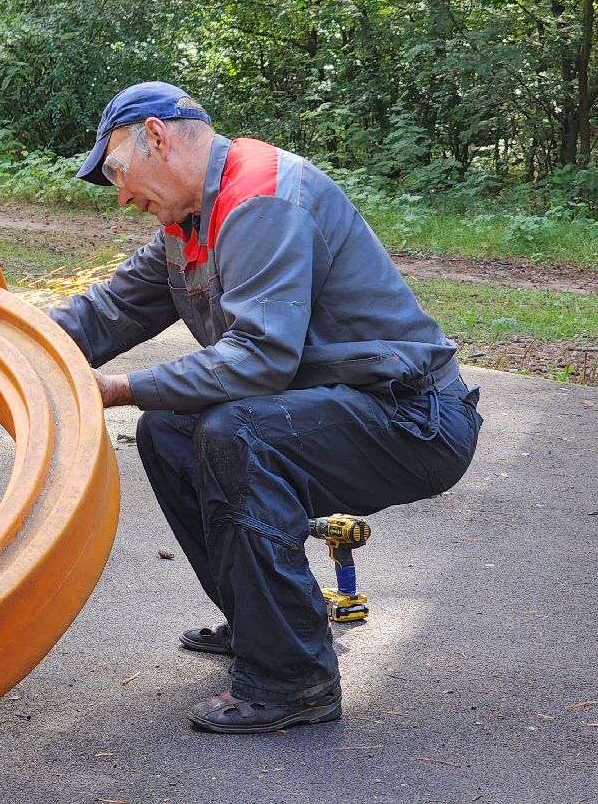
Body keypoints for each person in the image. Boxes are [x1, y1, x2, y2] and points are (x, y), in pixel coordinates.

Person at [48, 82, 482, 733]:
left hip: (414, 418)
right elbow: (107, 312)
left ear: (157, 139)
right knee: (168, 431)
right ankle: (264, 628)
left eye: (116, 172)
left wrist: (119, 388)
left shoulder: (261, 198)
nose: (122, 196)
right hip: (344, 405)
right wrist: (10, 346)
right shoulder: (191, 221)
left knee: (236, 433)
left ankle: (292, 681)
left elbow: (260, 359)